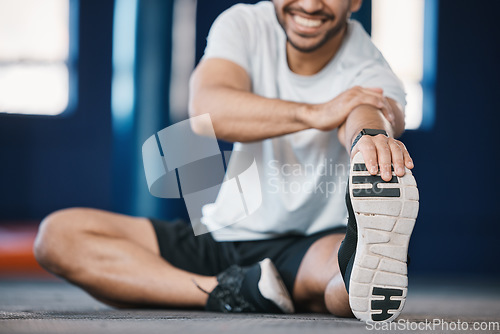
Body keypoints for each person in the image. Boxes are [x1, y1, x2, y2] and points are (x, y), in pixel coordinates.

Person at [33, 0, 418, 323]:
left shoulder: (370, 67)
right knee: (57, 236)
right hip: (223, 236)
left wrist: (368, 141)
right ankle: (230, 290)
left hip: (308, 245)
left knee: (342, 284)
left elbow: (368, 113)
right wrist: (315, 112)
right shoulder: (244, 25)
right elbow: (208, 108)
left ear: (355, 2)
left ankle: (359, 270)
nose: (310, 4)